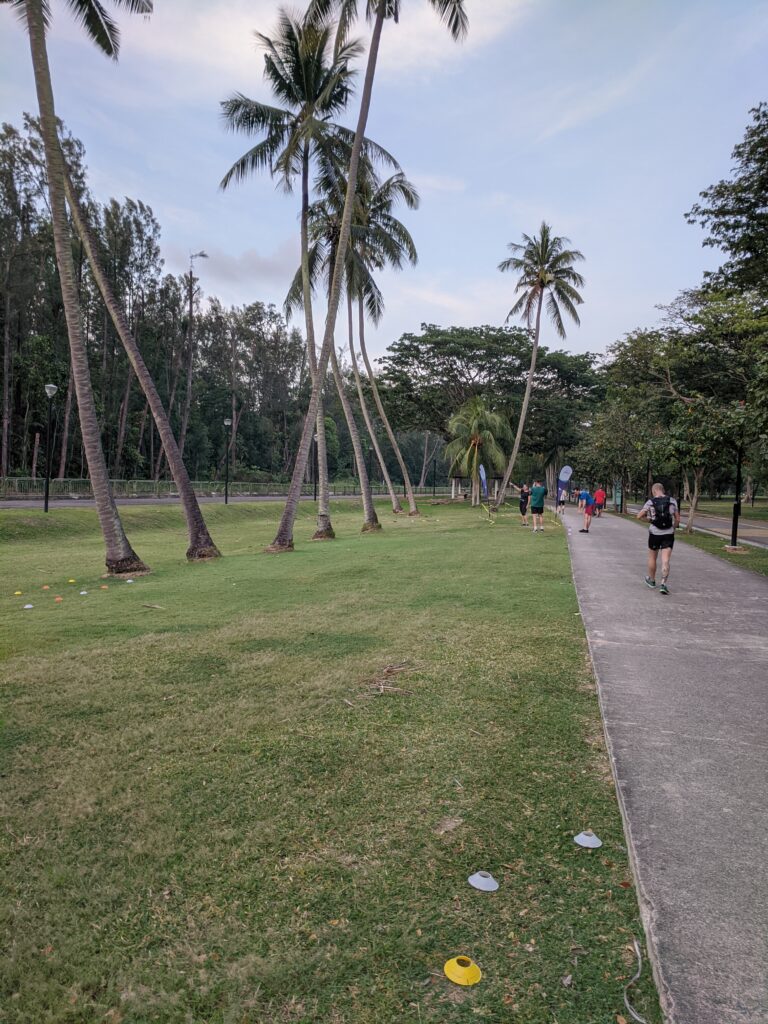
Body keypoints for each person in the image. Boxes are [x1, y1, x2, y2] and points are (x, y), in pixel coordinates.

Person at [637, 482, 680, 595]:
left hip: (654, 533)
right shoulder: (672, 501)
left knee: (652, 557)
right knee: (665, 559)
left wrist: (650, 521)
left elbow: (639, 516)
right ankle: (663, 584)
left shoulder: (650, 502)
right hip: (668, 534)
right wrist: (673, 528)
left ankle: (651, 580)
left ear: (653, 491)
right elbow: (677, 519)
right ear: (663, 490)